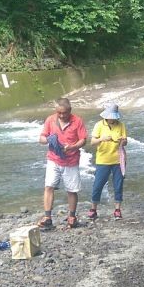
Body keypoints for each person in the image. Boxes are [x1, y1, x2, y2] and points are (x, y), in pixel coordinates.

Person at [38, 97, 87, 230]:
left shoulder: (77, 121)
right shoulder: (50, 120)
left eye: (64, 113)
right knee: (49, 186)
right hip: (53, 159)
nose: (61, 115)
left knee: (72, 190)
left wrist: (73, 147)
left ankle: (72, 216)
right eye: (58, 112)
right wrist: (48, 139)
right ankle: (47, 217)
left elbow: (83, 139)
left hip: (71, 161)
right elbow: (41, 138)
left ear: (69, 110)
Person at [87, 103, 128, 221]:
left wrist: (123, 140)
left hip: (118, 159)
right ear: (106, 116)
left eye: (115, 117)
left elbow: (125, 142)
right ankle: (93, 209)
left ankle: (117, 210)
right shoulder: (99, 125)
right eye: (112, 117)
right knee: (98, 185)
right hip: (103, 160)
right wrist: (102, 139)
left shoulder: (121, 125)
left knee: (118, 184)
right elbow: (92, 142)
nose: (114, 119)